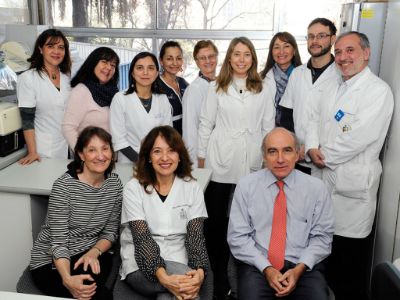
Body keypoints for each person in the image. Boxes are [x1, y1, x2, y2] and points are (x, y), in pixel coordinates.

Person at [306, 31, 394, 300]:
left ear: (366, 53)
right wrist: (311, 147)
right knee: (323, 263)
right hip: (323, 181)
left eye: (350, 51)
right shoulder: (333, 85)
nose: (343, 57)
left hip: (352, 192)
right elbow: (313, 117)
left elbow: (360, 137)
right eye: (339, 52)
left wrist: (324, 155)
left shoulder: (378, 91)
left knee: (348, 270)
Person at [197, 36, 275, 298]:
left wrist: (267, 161)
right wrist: (201, 159)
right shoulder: (216, 87)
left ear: (253, 58)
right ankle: (218, 278)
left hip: (251, 158)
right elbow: (206, 124)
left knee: (248, 221)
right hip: (220, 158)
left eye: (247, 54)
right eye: (236, 54)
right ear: (229, 58)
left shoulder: (263, 87)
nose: (241, 59)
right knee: (216, 222)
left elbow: (268, 128)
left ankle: (245, 276)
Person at [228, 127, 334, 300]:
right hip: (259, 266)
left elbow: (322, 238)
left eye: (287, 150)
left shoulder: (316, 189)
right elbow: (237, 238)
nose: (280, 159)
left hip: (303, 267)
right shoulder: (246, 186)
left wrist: (299, 269)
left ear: (298, 153)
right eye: (272, 152)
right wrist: (267, 269)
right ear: (264, 156)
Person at [29, 126, 123, 300]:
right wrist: (67, 279)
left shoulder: (114, 185)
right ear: (81, 154)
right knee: (91, 294)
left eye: (105, 148)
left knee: (98, 293)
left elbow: (110, 232)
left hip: (90, 252)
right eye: (92, 150)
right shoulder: (63, 187)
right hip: (52, 260)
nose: (101, 156)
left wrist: (94, 251)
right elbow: (58, 242)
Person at [119, 125, 209, 299]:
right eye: (157, 151)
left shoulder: (192, 187)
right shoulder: (133, 188)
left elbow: (195, 236)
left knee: (171, 295)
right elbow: (142, 239)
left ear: (180, 156)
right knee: (187, 288)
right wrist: (165, 278)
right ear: (148, 157)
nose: (165, 158)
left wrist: (199, 272)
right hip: (139, 263)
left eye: (171, 151)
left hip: (179, 259)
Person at [279, 18, 339, 176]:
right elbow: (286, 115)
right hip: (297, 158)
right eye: (311, 36)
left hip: (325, 158)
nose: (315, 41)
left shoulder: (340, 76)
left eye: (321, 36)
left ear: (333, 39)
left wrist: (313, 146)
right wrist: (292, 147)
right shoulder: (298, 73)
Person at [17, 29, 71, 165]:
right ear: (41, 49)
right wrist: (32, 152)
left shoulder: (66, 78)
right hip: (43, 150)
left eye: (61, 47)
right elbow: (27, 119)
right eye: (50, 46)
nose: (56, 52)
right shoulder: (28, 78)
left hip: (67, 146)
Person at [110, 52, 172, 163]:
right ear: (132, 73)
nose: (145, 72)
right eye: (139, 68)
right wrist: (142, 162)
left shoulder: (162, 99)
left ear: (157, 73)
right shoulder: (120, 98)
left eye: (151, 68)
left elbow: (167, 134)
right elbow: (119, 140)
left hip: (158, 161)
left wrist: (155, 160)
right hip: (130, 162)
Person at [62, 47, 119, 150]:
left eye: (113, 65)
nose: (109, 67)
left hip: (109, 156)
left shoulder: (113, 92)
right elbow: (68, 127)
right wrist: (82, 154)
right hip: (91, 159)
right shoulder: (81, 91)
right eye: (104, 62)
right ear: (93, 63)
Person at [182, 40, 218, 166]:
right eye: (202, 58)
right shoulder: (193, 90)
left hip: (221, 154)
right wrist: (196, 164)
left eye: (211, 56)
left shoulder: (220, 84)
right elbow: (190, 132)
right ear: (197, 62)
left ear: (217, 57)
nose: (208, 61)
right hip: (202, 159)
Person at [260, 32, 302, 131]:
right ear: (271, 52)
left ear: (294, 50)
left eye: (286, 46)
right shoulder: (261, 78)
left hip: (298, 133)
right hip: (269, 133)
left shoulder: (305, 76)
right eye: (277, 47)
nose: (281, 52)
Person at [155, 41, 189, 135]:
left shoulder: (184, 83)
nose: (175, 63)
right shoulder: (155, 85)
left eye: (178, 58)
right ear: (161, 61)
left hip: (186, 137)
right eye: (169, 59)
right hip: (167, 137)